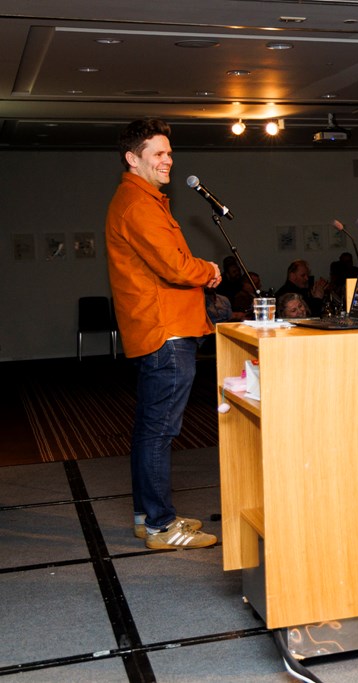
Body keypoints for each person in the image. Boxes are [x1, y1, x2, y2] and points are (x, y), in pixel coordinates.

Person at [105, 118, 219, 550]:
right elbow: (173, 267)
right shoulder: (138, 204)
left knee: (150, 430)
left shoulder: (143, 200)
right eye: (157, 153)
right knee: (159, 432)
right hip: (165, 331)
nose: (167, 160)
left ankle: (148, 517)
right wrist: (208, 270)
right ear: (132, 159)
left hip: (161, 328)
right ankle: (160, 526)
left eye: (169, 153)